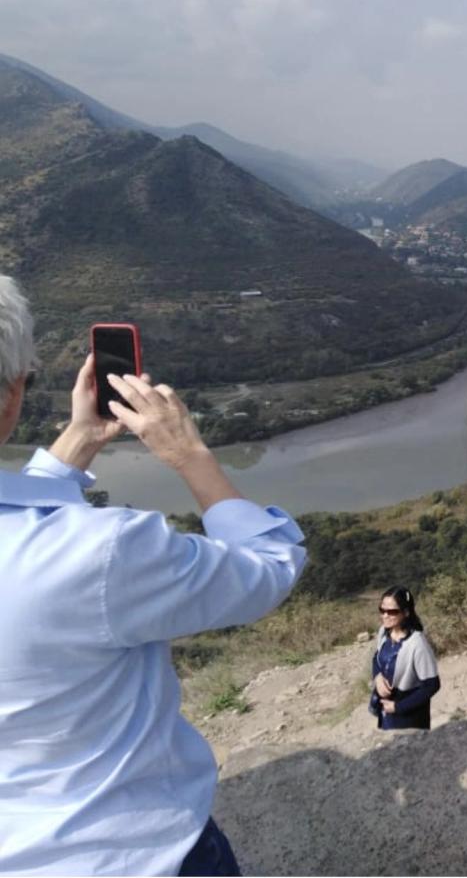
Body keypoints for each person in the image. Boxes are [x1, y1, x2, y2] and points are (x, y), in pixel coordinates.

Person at [0, 275, 307, 876]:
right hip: (133, 857)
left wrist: (81, 438)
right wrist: (188, 455)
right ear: (13, 393)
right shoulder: (101, 552)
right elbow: (270, 567)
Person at [370, 585, 440, 730]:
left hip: (409, 720)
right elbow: (376, 658)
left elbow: (432, 685)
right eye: (382, 610)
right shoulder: (384, 632)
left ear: (406, 612)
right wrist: (377, 677)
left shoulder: (417, 644)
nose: (385, 615)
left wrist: (398, 707)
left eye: (392, 611)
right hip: (386, 713)